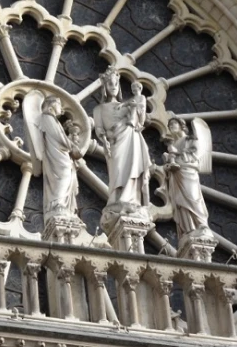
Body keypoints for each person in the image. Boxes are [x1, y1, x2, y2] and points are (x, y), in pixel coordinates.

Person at [93, 68, 151, 216]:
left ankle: (131, 198)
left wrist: (138, 105)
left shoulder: (127, 104)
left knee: (132, 167)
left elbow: (139, 119)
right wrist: (104, 139)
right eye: (110, 84)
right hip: (114, 142)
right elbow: (99, 128)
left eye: (116, 84)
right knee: (117, 169)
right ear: (105, 87)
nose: (113, 86)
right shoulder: (99, 109)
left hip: (130, 137)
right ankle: (116, 198)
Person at [163, 117, 212, 238]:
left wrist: (176, 153)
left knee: (193, 197)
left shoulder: (191, 139)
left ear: (181, 125)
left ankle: (202, 225)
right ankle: (188, 229)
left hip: (188, 172)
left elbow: (196, 155)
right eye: (169, 125)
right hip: (176, 175)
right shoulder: (174, 143)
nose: (171, 126)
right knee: (180, 202)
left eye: (173, 123)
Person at [37, 96, 81, 220]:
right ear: (51, 105)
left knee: (66, 177)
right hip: (57, 155)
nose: (61, 108)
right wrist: (71, 145)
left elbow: (60, 135)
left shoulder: (53, 120)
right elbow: (58, 137)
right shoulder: (47, 117)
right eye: (59, 104)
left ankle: (61, 204)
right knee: (63, 176)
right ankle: (57, 204)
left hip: (61, 154)